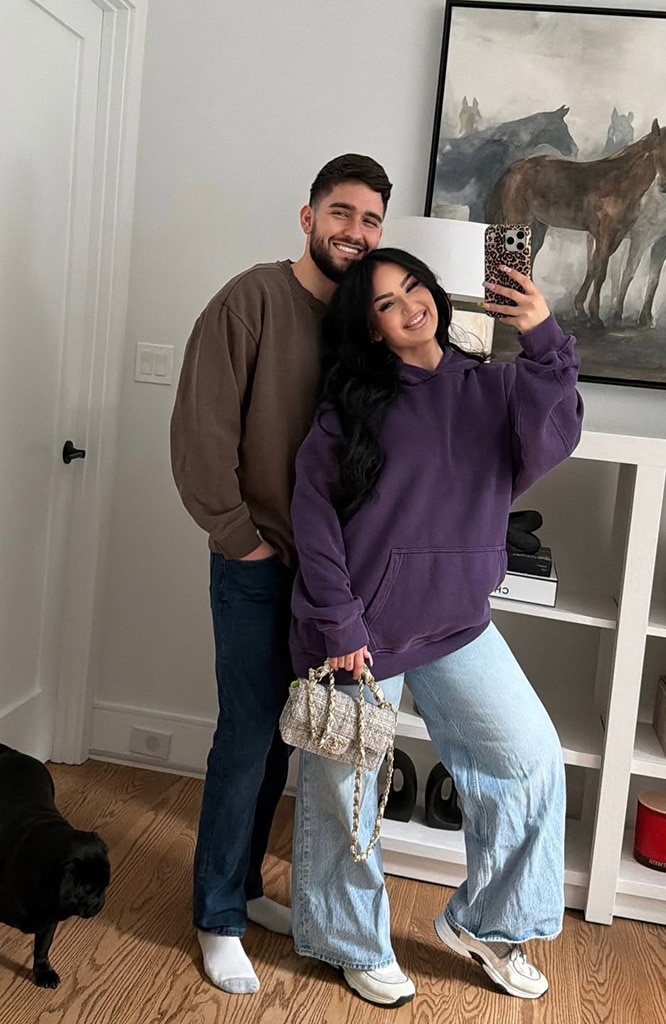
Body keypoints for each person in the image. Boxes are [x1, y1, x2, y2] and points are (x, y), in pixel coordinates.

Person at [289, 247, 583, 1007]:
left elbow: (557, 428)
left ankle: (489, 925)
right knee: (347, 798)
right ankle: (350, 942)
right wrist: (338, 621)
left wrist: (543, 332)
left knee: (530, 761)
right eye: (386, 303)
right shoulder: (353, 403)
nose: (409, 306)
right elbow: (313, 516)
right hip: (358, 635)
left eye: (414, 288)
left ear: (436, 295)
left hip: (458, 622)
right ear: (372, 327)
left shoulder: (493, 387)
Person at [169, 154, 392, 995]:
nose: (355, 232)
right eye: (341, 213)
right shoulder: (251, 301)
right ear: (308, 218)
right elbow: (200, 437)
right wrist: (243, 542)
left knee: (289, 742)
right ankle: (216, 916)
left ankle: (242, 886)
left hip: (329, 583)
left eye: (370, 221)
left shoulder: (364, 324)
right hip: (258, 565)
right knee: (247, 736)